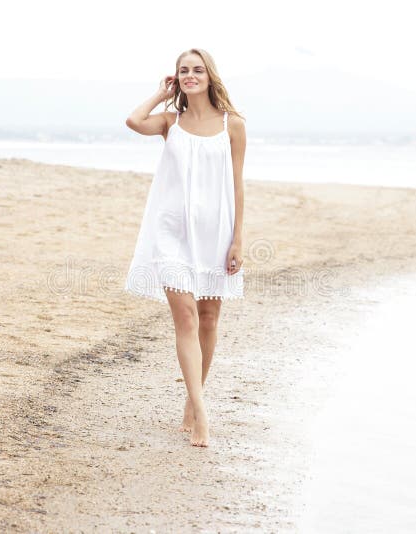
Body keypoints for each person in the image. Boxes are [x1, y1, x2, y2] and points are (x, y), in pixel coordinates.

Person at [124, 48, 246, 447]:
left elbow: (238, 185)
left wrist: (238, 239)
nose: (190, 76)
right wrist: (161, 94)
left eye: (197, 70)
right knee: (188, 319)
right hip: (171, 234)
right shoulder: (169, 122)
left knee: (209, 318)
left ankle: (192, 402)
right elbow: (133, 121)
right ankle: (202, 413)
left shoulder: (232, 125)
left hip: (215, 234)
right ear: (176, 78)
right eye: (183, 71)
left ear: (210, 76)